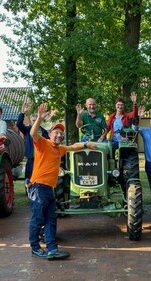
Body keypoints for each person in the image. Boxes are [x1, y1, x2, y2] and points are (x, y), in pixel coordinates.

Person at [29, 103, 97, 260]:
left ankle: (52, 249)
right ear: (50, 134)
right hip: (38, 187)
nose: (59, 135)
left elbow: (73, 147)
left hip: (49, 189)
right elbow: (33, 134)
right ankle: (35, 248)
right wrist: (39, 118)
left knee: (51, 220)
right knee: (38, 219)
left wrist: (86, 144)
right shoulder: (43, 144)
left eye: (61, 134)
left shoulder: (59, 149)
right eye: (56, 133)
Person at [17, 100, 49, 186]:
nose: (34, 122)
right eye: (33, 120)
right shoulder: (27, 130)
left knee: (41, 180)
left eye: (36, 120)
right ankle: (29, 193)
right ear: (31, 121)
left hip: (42, 160)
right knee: (29, 179)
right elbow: (19, 124)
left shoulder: (44, 132)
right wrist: (23, 113)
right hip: (31, 160)